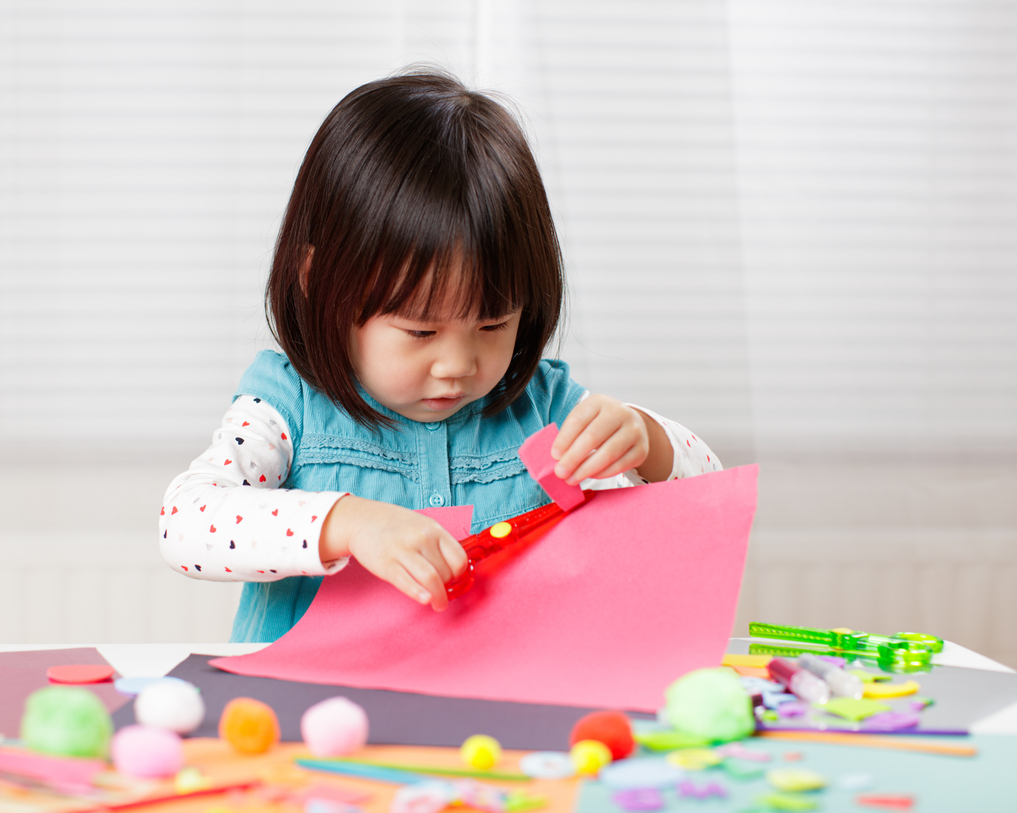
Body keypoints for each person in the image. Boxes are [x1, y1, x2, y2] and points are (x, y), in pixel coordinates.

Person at [160, 70, 721, 642]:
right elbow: (185, 522)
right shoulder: (287, 410)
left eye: (492, 323)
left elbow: (707, 505)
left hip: (494, 716)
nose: (458, 365)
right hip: (303, 719)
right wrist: (347, 524)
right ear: (319, 282)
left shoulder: (546, 410)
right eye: (420, 330)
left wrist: (648, 442)